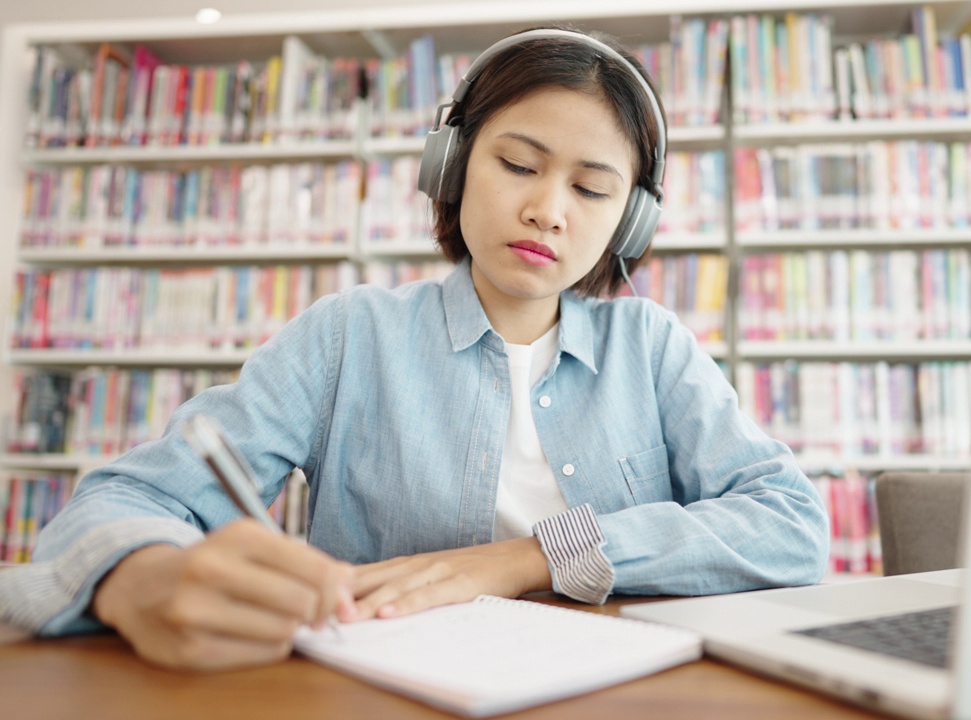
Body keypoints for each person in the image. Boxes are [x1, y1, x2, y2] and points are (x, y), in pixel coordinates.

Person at [0, 27, 828, 670]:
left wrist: (531, 558)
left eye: (590, 188)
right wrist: (139, 576)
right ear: (453, 165)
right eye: (517, 164)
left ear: (630, 222)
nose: (548, 209)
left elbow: (790, 525)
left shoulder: (651, 347)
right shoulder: (348, 334)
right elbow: (116, 502)